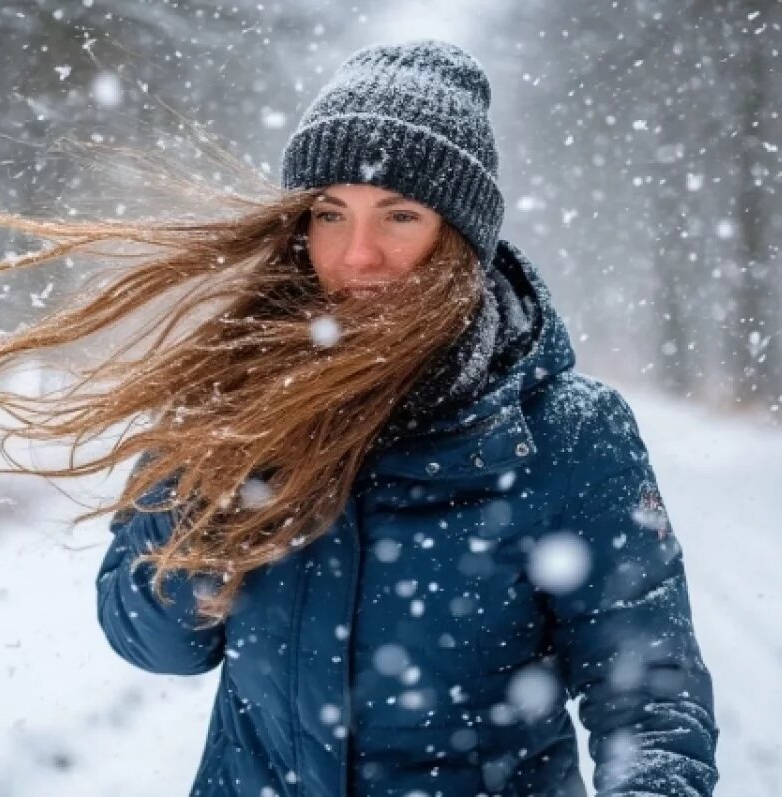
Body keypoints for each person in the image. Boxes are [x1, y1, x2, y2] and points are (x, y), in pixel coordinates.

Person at [91, 40, 719, 797]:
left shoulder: (568, 433)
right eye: (330, 212)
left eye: (399, 213)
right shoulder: (238, 402)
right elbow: (156, 643)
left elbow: (652, 701)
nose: (359, 254)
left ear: (460, 238)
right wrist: (207, 477)